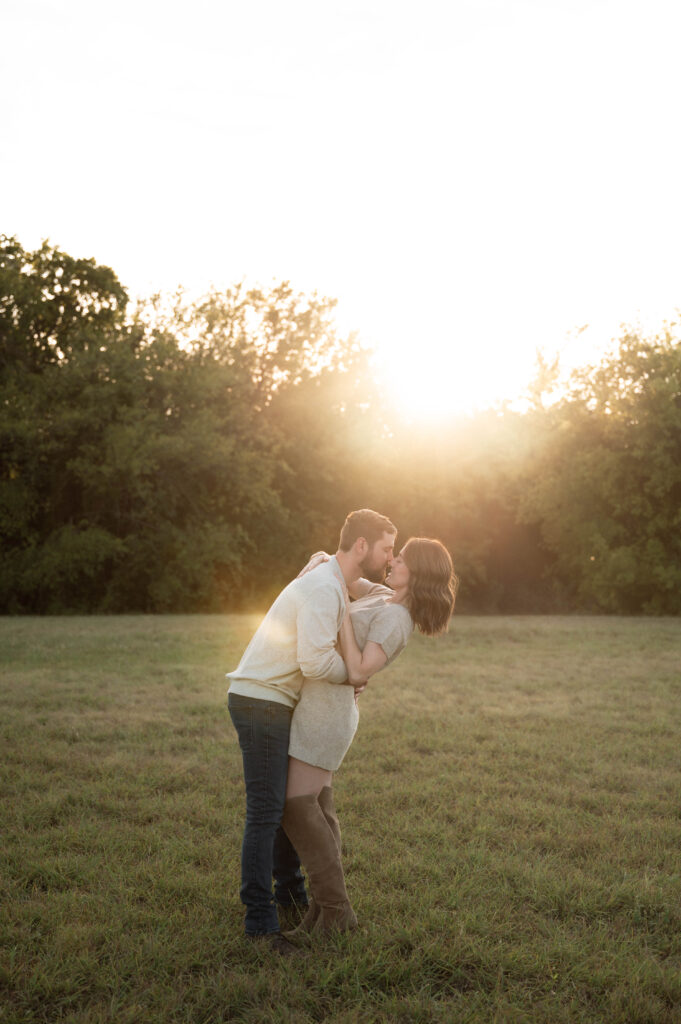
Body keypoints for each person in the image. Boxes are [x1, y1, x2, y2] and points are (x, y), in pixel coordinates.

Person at [227, 509, 397, 955]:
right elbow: (315, 662)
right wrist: (356, 675)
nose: (390, 556)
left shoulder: (333, 580)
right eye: (386, 548)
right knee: (265, 812)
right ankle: (260, 924)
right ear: (361, 545)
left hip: (272, 699)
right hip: (261, 701)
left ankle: (289, 895)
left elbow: (385, 597)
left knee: (280, 806)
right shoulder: (325, 589)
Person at [280, 537, 458, 938]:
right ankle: (321, 913)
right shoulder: (383, 596)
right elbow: (340, 573)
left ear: (420, 572)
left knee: (296, 806)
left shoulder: (398, 620)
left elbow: (360, 670)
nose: (393, 560)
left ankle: (336, 911)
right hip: (317, 705)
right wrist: (321, 556)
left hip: (328, 715)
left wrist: (341, 614)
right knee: (319, 808)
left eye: (404, 558)